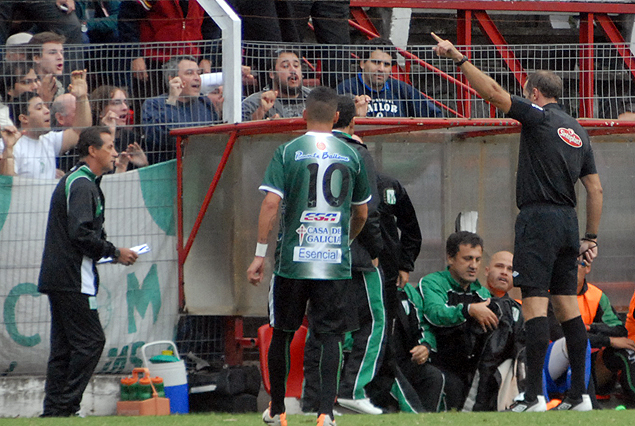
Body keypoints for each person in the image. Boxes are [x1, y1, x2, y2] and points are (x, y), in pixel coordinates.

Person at [433, 33, 603, 412]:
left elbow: (494, 94)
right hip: (569, 223)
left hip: (538, 220)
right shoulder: (579, 132)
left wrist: (458, 57)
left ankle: (533, 396)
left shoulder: (538, 116)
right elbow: (595, 189)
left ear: (534, 93)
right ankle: (580, 397)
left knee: (534, 307)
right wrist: (590, 237)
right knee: (569, 308)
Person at [247, 86, 371, 426]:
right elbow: (361, 213)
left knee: (282, 333)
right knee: (330, 337)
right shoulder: (352, 154)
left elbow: (270, 204)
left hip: (293, 261)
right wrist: (344, 241)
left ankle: (277, 410)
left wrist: (259, 255)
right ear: (337, 116)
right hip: (332, 263)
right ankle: (325, 413)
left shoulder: (288, 151)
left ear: (304, 115)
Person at [37, 125, 139, 417]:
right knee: (92, 341)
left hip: (60, 276)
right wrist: (114, 252)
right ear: (92, 151)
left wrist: (107, 252)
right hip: (72, 278)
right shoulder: (82, 185)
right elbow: (80, 234)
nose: (115, 152)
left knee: (65, 347)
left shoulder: (81, 181)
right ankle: (66, 406)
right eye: (109, 147)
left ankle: (54, 411)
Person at [419, 231, 498, 409]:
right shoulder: (432, 282)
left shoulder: (483, 293)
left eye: (477, 259)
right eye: (467, 258)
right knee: (452, 388)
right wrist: (469, 310)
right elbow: (435, 314)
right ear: (450, 258)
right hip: (435, 361)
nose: (473, 265)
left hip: (471, 367)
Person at [546, 258, 635, 402]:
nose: (571, 268)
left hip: (588, 362)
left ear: (587, 268)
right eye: (566, 263)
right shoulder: (547, 296)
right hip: (552, 364)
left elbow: (619, 329)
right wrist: (608, 340)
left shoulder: (596, 295)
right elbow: (560, 335)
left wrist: (591, 327)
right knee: (572, 344)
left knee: (622, 351)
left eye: (577, 264)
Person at [0, 70, 91, 179]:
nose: (47, 111)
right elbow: (7, 182)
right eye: (39, 108)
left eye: (45, 106)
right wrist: (8, 150)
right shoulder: (9, 145)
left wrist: (82, 97)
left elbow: (79, 131)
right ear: (24, 118)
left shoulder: (49, 139)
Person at [141, 56, 219, 164]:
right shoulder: (153, 104)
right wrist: (172, 101)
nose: (197, 78)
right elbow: (157, 136)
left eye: (198, 73)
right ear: (173, 79)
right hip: (169, 167)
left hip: (203, 166)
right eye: (189, 73)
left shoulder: (205, 103)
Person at [337, 38, 442, 118]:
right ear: (362, 63)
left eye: (386, 65)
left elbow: (435, 115)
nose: (381, 69)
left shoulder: (401, 89)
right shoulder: (346, 89)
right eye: (376, 62)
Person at [242, 48, 312, 121]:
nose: (293, 70)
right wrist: (261, 111)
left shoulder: (314, 98)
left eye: (296, 65)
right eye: (286, 66)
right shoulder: (254, 103)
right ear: (272, 74)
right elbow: (241, 125)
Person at [91, 85, 148, 172]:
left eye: (126, 102)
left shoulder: (132, 139)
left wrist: (143, 165)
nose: (125, 108)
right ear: (100, 111)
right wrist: (111, 134)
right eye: (116, 103)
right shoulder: (92, 139)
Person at [28, 31, 67, 100]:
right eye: (52, 53)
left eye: (61, 52)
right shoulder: (29, 86)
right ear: (36, 58)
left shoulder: (58, 85)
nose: (60, 57)